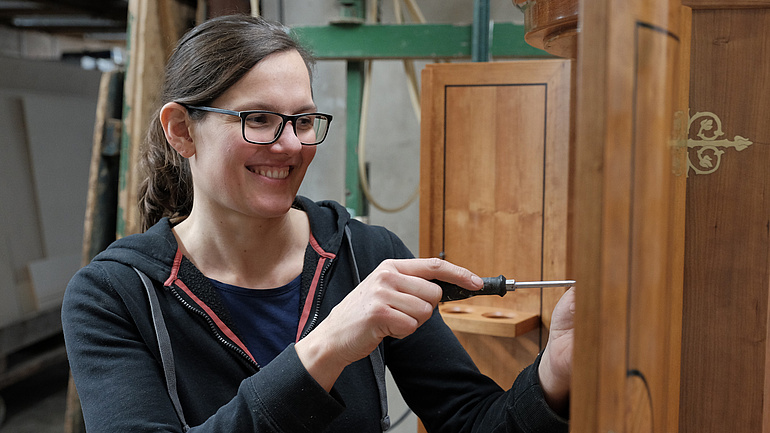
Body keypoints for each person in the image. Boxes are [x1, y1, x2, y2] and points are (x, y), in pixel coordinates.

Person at [62, 14, 574, 433]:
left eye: (303, 120)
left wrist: (552, 373)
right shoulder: (113, 296)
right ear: (181, 130)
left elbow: (474, 423)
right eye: (257, 119)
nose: (289, 145)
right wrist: (325, 349)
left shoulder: (364, 254)